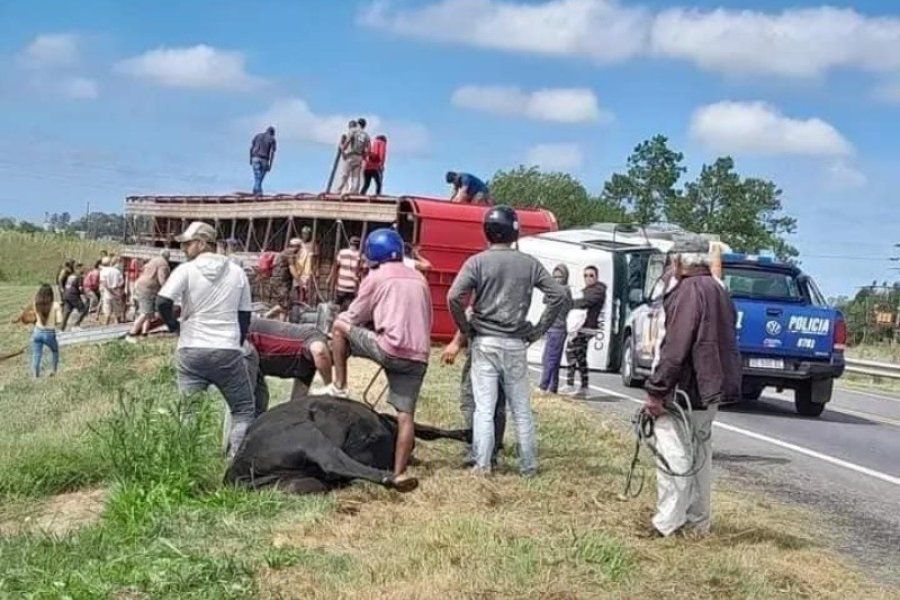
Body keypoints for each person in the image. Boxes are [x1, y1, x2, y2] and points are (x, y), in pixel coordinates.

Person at [447, 205, 566, 475]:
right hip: (515, 343)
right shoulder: (529, 263)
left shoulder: (477, 262)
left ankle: (482, 464)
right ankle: (529, 466)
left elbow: (453, 297)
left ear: (487, 231)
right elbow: (558, 295)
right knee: (521, 409)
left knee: (484, 408)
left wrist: (466, 328)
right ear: (515, 232)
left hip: (484, 342)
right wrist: (538, 330)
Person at [643, 235, 741, 538]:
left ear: (678, 261)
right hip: (709, 388)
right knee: (700, 454)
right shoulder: (719, 289)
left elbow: (675, 347)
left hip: (684, 388)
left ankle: (667, 522)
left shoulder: (688, 291)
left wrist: (657, 390)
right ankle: (698, 523)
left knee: (673, 453)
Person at [330, 228, 432, 484]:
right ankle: (398, 474)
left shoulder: (376, 277)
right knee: (406, 417)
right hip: (419, 355)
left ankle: (339, 385)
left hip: (390, 349)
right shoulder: (419, 277)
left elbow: (354, 316)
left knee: (339, 326)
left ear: (373, 254)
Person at [156, 221, 257, 460]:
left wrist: (175, 327)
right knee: (243, 410)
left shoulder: (185, 270)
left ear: (202, 244)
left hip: (191, 349)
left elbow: (162, 301)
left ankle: (187, 462)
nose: (183, 248)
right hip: (226, 350)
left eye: (187, 244)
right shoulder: (237, 272)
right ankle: (233, 462)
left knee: (189, 412)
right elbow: (244, 315)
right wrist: (237, 342)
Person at [441, 328, 507, 467]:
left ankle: (478, 451)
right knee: (497, 405)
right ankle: (492, 452)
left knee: (472, 403)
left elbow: (471, 318)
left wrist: (456, 342)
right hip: (507, 351)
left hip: (482, 351)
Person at [245, 318, 334, 409]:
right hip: (246, 339)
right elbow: (320, 352)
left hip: (255, 360)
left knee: (260, 402)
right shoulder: (315, 335)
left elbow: (296, 401)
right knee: (247, 405)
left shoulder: (308, 367)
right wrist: (330, 386)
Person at [559, 266, 606, 396]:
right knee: (579, 355)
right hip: (582, 327)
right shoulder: (588, 290)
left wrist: (571, 303)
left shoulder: (598, 291)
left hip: (587, 328)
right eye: (585, 275)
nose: (588, 278)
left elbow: (585, 302)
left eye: (591, 275)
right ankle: (582, 387)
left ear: (596, 277)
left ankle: (572, 384)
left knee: (573, 352)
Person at [538, 265, 574, 394]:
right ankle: (552, 387)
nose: (557, 279)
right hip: (554, 327)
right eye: (555, 277)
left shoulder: (563, 290)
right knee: (552, 359)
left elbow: (546, 299)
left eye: (560, 277)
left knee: (549, 359)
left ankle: (543, 386)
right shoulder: (565, 290)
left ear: (565, 277)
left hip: (557, 328)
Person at [127, 250, 171, 342]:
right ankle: (131, 334)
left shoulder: (153, 260)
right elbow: (162, 279)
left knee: (149, 313)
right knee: (145, 313)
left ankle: (144, 334)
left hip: (142, 285)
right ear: (168, 257)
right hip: (147, 289)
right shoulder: (163, 264)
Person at [30, 284, 62, 378]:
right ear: (51, 294)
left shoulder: (35, 304)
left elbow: (35, 318)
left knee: (36, 354)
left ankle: (36, 375)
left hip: (37, 331)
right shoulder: (55, 305)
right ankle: (54, 371)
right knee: (55, 351)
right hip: (49, 333)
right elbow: (59, 321)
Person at [264, 239, 299, 320]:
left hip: (280, 281)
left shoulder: (285, 252)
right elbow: (292, 269)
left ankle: (282, 322)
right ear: (297, 247)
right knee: (284, 305)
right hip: (281, 282)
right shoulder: (290, 253)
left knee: (284, 303)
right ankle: (266, 315)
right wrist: (299, 280)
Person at [337, 119, 370, 194]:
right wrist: (363, 155)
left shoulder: (353, 131)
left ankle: (339, 190)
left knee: (345, 174)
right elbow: (368, 149)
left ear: (358, 124)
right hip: (359, 157)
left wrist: (341, 146)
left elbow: (347, 143)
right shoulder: (366, 135)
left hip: (351, 155)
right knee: (356, 176)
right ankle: (354, 191)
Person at [332, 236, 362, 310]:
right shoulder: (360, 255)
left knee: (338, 306)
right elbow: (362, 271)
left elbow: (335, 267)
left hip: (341, 285)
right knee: (350, 307)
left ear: (349, 243)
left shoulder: (342, 252)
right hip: (353, 287)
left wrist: (334, 280)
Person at [291, 226, 318, 308]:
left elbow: (316, 259)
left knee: (306, 291)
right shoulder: (299, 244)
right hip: (298, 270)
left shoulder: (313, 245)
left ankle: (304, 307)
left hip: (307, 271)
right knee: (297, 289)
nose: (305, 235)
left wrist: (315, 270)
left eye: (307, 234)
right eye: (303, 233)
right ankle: (297, 307)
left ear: (310, 235)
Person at [60, 263, 88, 331]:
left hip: (66, 294)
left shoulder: (71, 276)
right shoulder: (79, 276)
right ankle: (76, 325)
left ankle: (61, 328)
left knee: (67, 312)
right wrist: (85, 295)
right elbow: (80, 288)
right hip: (73, 295)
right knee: (83, 309)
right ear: (79, 268)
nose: (84, 270)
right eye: (83, 268)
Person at [250, 126, 277, 195]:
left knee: (257, 176)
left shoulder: (257, 136)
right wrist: (270, 165)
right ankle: (258, 191)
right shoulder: (272, 139)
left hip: (255, 157)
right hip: (264, 159)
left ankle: (256, 190)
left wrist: (250, 159)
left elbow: (251, 148)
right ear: (272, 133)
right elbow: (272, 153)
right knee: (260, 176)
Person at [98, 256, 124, 325]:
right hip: (116, 293)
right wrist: (116, 288)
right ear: (110, 263)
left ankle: (106, 326)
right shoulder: (117, 271)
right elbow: (121, 282)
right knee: (117, 313)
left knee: (107, 313)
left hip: (107, 294)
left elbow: (104, 283)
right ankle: (118, 326)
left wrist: (110, 290)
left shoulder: (103, 271)